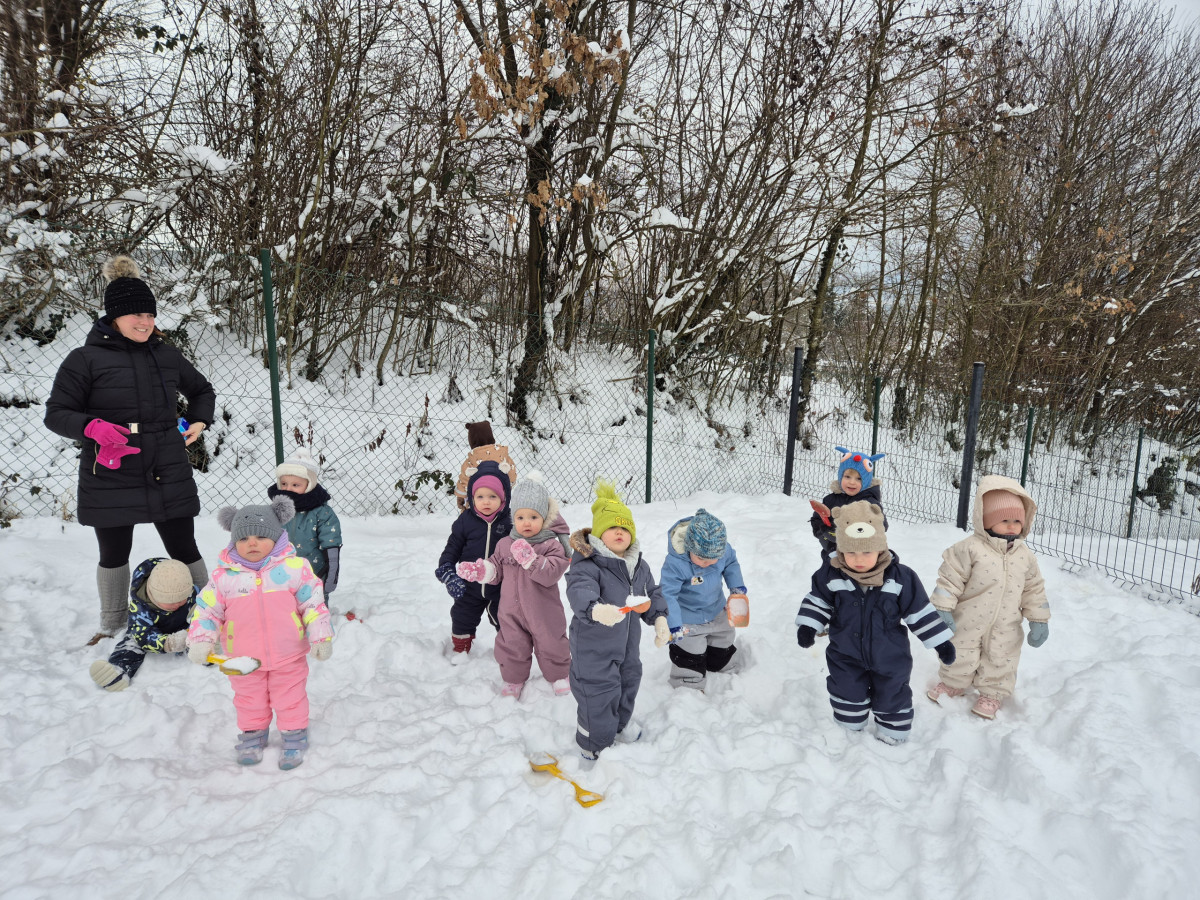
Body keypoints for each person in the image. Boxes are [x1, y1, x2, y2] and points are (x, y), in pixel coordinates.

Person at [44, 255, 215, 645]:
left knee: (183, 543)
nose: (145, 322)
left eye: (151, 314)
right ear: (114, 317)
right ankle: (111, 623)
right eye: (136, 314)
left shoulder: (167, 354)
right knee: (114, 549)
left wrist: (200, 421)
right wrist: (90, 426)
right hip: (111, 466)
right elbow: (56, 414)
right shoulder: (84, 359)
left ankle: (209, 610)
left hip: (167, 461)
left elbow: (202, 391)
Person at [185, 496, 333, 769]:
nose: (251, 543)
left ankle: (293, 734)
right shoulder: (223, 578)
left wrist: (320, 635)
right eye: (244, 538)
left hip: (287, 653)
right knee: (248, 699)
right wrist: (201, 640)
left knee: (290, 696)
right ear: (234, 542)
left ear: (276, 538)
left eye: (260, 536)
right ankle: (253, 735)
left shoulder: (294, 569)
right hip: (242, 658)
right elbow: (207, 611)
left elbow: (313, 603)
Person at [796, 500, 955, 745]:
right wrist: (809, 626)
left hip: (890, 655)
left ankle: (893, 732)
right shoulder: (831, 574)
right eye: (851, 553)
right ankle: (850, 726)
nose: (858, 560)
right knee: (846, 687)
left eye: (866, 552)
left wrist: (941, 643)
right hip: (845, 652)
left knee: (893, 692)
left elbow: (919, 611)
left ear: (880, 548)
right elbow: (819, 601)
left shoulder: (900, 578)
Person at [926, 475, 1050, 720]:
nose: (1012, 526)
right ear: (986, 520)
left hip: (1007, 623)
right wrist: (943, 608)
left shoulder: (1025, 556)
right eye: (1004, 520)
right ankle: (953, 683)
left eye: (1017, 520)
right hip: (968, 618)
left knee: (1002, 657)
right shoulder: (969, 549)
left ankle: (991, 694)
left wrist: (1039, 619)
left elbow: (1034, 588)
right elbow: (950, 579)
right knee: (960, 651)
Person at [565, 481, 669, 765]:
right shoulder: (589, 564)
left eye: (625, 528)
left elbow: (651, 594)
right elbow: (579, 589)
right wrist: (596, 610)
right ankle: (592, 743)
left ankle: (618, 725)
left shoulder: (638, 565)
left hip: (626, 646)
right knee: (598, 692)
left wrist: (659, 618)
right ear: (599, 534)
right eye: (612, 528)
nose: (619, 532)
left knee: (628, 681)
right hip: (593, 647)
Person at [457, 471, 571, 699]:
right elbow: (496, 568)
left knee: (551, 642)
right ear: (513, 518)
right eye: (520, 517)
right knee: (511, 644)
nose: (526, 523)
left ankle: (559, 675)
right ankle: (513, 679)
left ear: (545, 518)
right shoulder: (505, 544)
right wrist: (483, 570)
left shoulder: (551, 546)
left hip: (544, 611)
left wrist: (531, 560)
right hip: (511, 611)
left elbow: (552, 573)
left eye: (533, 517)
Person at [659, 508, 749, 690]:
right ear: (690, 547)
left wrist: (736, 587)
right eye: (701, 558)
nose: (707, 563)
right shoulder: (676, 563)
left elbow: (731, 563)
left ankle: (719, 662)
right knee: (689, 649)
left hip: (716, 609)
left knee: (724, 638)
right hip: (688, 617)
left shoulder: (722, 551)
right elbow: (667, 593)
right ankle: (688, 682)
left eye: (713, 559)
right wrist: (674, 624)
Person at [435, 459, 513, 661]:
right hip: (469, 585)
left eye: (492, 496)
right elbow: (452, 547)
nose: (486, 501)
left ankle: (509, 651)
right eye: (480, 496)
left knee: (506, 620)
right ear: (471, 496)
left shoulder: (511, 522)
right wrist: (447, 570)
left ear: (504, 497)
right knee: (462, 616)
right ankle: (461, 648)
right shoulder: (465, 521)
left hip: (501, 586)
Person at [87, 558, 197, 692]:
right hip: (149, 632)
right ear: (153, 594)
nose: (177, 604)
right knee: (132, 643)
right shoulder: (140, 607)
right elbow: (142, 634)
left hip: (184, 628)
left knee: (200, 638)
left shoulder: (190, 592)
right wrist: (167, 643)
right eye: (170, 601)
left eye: (182, 599)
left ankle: (208, 655)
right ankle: (119, 669)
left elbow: (201, 611)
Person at [267, 447, 342, 604]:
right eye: (284, 483)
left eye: (295, 485)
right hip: (282, 573)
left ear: (309, 485)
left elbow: (331, 545)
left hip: (313, 571)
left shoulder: (322, 513)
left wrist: (330, 573)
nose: (288, 489)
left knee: (314, 605)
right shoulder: (275, 509)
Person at [810, 446, 887, 558]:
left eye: (858, 478)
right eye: (847, 476)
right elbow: (817, 519)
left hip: (859, 557)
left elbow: (882, 526)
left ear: (866, 481)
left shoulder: (869, 503)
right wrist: (824, 531)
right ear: (841, 477)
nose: (852, 482)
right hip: (832, 553)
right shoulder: (831, 500)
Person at [454, 421, 517, 513]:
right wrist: (507, 487)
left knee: (471, 518)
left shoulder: (470, 461)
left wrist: (460, 497)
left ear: (472, 441)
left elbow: (464, 481)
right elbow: (512, 474)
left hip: (477, 503)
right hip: (498, 499)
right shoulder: (503, 456)